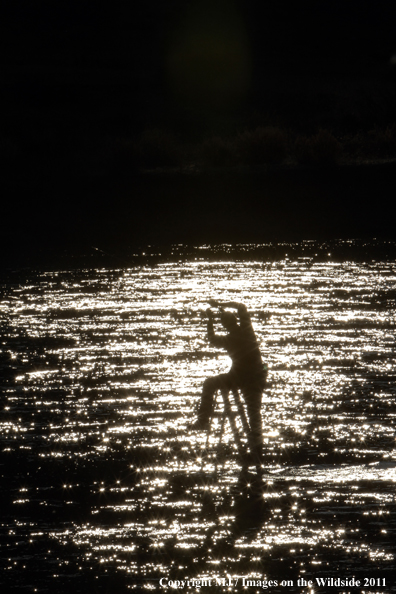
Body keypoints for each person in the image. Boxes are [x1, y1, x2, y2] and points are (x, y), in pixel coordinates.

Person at [192, 299, 267, 457]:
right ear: (236, 320)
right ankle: (257, 448)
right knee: (254, 413)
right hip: (255, 376)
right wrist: (221, 305)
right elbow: (241, 306)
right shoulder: (247, 330)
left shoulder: (228, 339)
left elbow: (212, 338)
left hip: (239, 377)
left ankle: (203, 420)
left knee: (209, 383)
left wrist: (210, 320)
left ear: (225, 326)